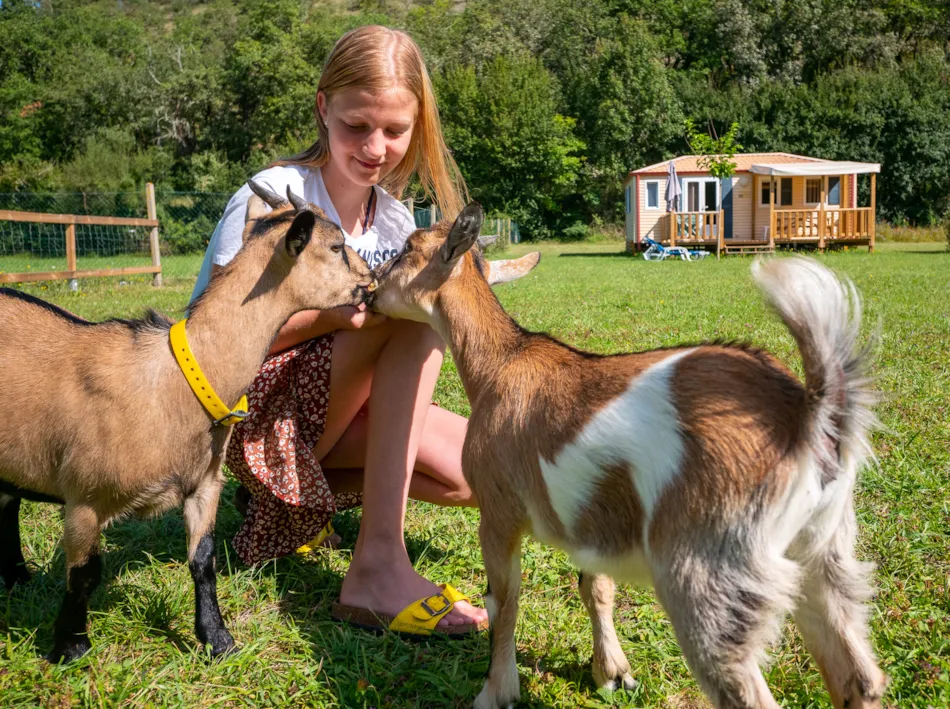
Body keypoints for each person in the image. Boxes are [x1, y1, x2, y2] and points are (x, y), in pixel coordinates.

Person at [189, 25, 487, 635]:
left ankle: (289, 503)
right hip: (253, 414)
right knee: (404, 315)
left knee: (474, 474)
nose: (375, 146)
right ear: (324, 107)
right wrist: (337, 315)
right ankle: (377, 565)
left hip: (339, 410)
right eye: (356, 125)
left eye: (396, 130)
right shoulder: (275, 196)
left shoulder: (396, 219)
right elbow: (207, 343)